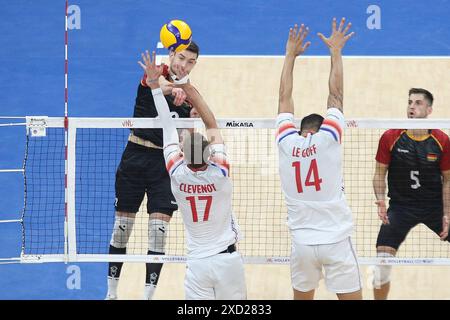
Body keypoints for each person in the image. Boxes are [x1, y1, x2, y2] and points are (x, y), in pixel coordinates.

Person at [138, 50, 247, 300]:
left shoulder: (177, 173)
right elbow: (212, 125)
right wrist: (186, 86)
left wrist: (155, 86)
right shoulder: (220, 171)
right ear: (210, 155)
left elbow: (167, 124)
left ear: (183, 156)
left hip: (197, 263)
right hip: (226, 261)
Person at [105, 42, 200, 300]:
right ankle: (112, 293)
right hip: (134, 158)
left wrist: (191, 118)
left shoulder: (191, 95)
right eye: (181, 58)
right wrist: (176, 87)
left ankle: (148, 296)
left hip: (164, 165)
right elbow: (156, 84)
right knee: (121, 229)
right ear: (171, 55)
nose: (184, 64)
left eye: (190, 62)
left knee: (158, 234)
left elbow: (190, 143)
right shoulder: (154, 71)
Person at [276, 18, 361, 300]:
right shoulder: (329, 138)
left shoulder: (286, 143)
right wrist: (335, 51)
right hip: (335, 242)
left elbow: (283, 99)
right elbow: (335, 95)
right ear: (322, 128)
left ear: (301, 130)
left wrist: (290, 56)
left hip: (302, 245)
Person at [372, 88, 450, 299]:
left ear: (429, 109)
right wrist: (380, 199)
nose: (411, 107)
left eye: (417, 103)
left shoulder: (442, 140)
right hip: (400, 208)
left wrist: (447, 213)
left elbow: (448, 180)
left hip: (434, 206)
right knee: (380, 268)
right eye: (409, 102)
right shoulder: (390, 137)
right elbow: (379, 174)